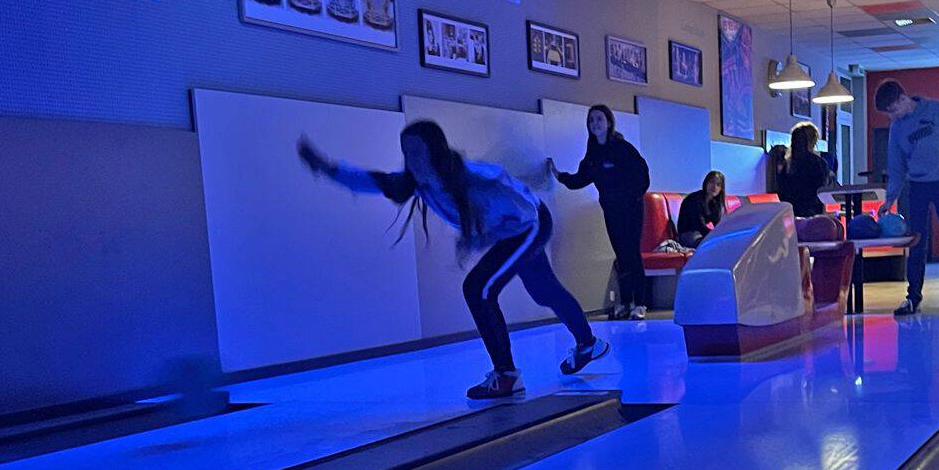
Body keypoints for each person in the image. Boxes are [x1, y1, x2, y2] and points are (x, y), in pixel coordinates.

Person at [301, 122, 609, 400]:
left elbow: (520, 202)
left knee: (478, 289)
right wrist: (328, 169)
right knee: (543, 291)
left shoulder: (473, 176)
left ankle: (506, 375)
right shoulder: (417, 182)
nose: (412, 160)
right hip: (514, 229)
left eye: (417, 152)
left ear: (434, 151)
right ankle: (588, 344)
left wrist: (491, 236)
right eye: (406, 153)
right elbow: (373, 181)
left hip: (529, 222)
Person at [875, 79, 939, 317]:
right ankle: (913, 297)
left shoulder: (935, 109)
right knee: (917, 242)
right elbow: (896, 166)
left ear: (903, 99)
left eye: (893, 110)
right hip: (917, 186)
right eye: (889, 114)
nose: (892, 117)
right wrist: (889, 199)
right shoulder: (896, 128)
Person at [549, 105, 652, 319]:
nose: (595, 123)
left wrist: (632, 197)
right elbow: (580, 179)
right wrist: (559, 175)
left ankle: (640, 304)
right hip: (611, 211)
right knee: (621, 255)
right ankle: (626, 302)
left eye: (599, 119)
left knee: (632, 253)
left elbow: (642, 174)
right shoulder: (593, 154)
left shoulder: (623, 148)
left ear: (609, 122)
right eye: (591, 120)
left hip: (631, 210)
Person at [778, 122, 831, 218]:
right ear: (812, 141)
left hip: (790, 213)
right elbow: (822, 192)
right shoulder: (818, 163)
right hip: (812, 213)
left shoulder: (786, 165)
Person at [677, 170, 727, 248]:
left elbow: (717, 224)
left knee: (722, 242)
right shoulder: (695, 199)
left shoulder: (714, 203)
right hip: (688, 234)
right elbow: (699, 225)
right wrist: (714, 235)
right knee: (709, 244)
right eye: (712, 182)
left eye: (718, 184)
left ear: (721, 189)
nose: (714, 187)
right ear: (706, 183)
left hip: (700, 233)